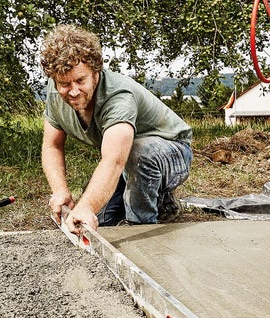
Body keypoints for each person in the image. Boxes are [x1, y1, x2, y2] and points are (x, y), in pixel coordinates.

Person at [40, 25, 193, 235]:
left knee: (139, 154)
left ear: (96, 72)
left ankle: (143, 225)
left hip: (172, 152)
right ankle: (151, 197)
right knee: (100, 222)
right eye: (64, 84)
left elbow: (114, 160)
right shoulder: (55, 91)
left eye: (80, 80)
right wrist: (60, 191)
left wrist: (86, 207)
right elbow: (52, 146)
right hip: (127, 160)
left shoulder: (119, 97)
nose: (73, 91)